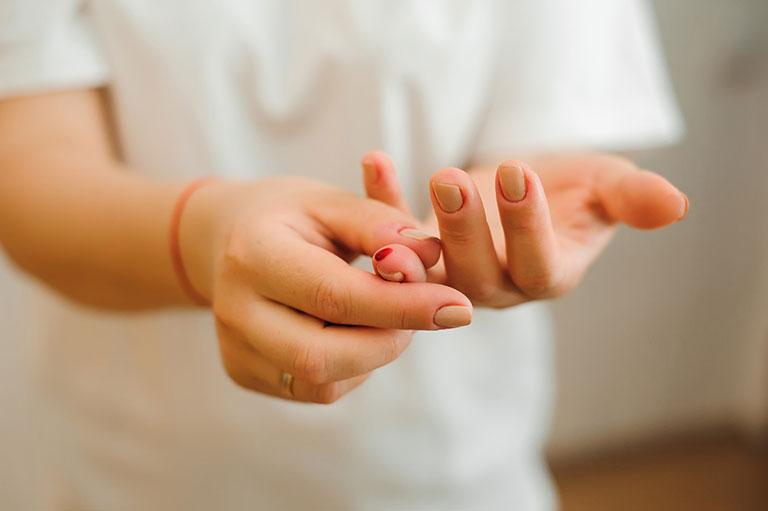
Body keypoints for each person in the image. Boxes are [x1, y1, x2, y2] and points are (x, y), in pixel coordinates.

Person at [0, 0, 686, 509]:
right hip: (120, 469)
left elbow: (553, 115)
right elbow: (28, 162)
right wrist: (206, 235)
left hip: (443, 470)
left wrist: (521, 204)